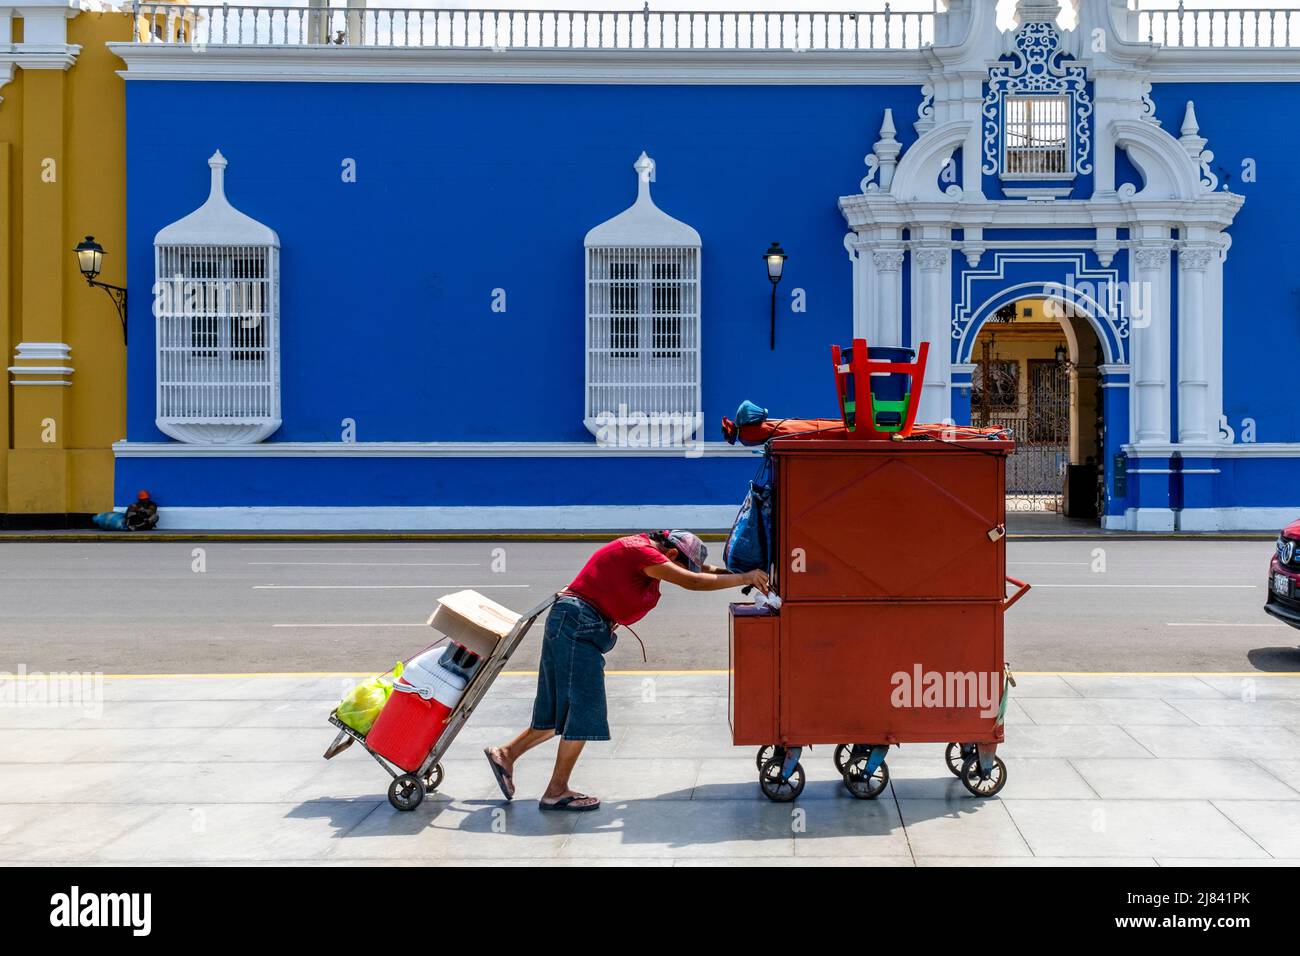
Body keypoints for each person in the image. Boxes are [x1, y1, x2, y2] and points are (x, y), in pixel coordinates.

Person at [485, 530, 768, 812]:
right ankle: (556, 791)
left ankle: (506, 754)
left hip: (573, 623)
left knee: (560, 709)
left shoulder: (650, 549)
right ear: (670, 555)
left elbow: (701, 570)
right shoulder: (642, 552)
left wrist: (750, 574)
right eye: (678, 564)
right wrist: (744, 579)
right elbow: (693, 580)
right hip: (577, 626)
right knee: (584, 711)